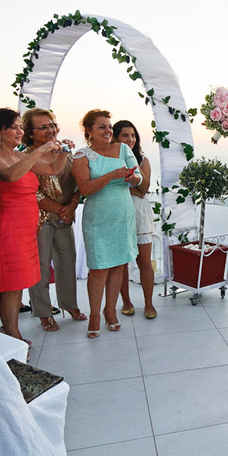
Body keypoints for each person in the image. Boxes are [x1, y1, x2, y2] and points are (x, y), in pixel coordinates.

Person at [0, 108, 68, 346]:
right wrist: (39, 149)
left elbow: (53, 170)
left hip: (27, 229)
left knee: (19, 282)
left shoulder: (21, 156)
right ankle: (12, 336)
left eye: (21, 126)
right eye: (14, 127)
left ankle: (9, 328)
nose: (20, 131)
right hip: (7, 229)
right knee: (9, 285)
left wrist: (62, 152)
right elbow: (10, 176)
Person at [72, 109, 141, 338]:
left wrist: (133, 177)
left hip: (122, 215)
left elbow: (139, 177)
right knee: (99, 268)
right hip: (98, 218)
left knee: (119, 266)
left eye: (109, 127)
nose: (108, 130)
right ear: (89, 131)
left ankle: (110, 311)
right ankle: (94, 315)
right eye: (101, 126)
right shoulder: (81, 156)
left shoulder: (123, 149)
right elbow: (85, 189)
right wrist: (112, 175)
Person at [21, 108, 86, 331]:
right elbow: (33, 193)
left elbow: (78, 183)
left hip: (65, 216)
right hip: (40, 219)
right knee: (40, 267)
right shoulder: (26, 156)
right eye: (43, 127)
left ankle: (70, 305)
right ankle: (43, 312)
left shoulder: (65, 152)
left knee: (67, 262)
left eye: (51, 125)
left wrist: (72, 205)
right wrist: (59, 209)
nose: (49, 130)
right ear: (30, 133)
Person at [112, 120, 157, 320]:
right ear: (116, 138)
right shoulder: (110, 160)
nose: (130, 139)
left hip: (139, 214)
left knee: (144, 262)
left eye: (133, 135)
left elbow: (143, 190)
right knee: (121, 263)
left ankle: (149, 303)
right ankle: (126, 302)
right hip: (118, 213)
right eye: (125, 136)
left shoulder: (142, 160)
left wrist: (132, 171)